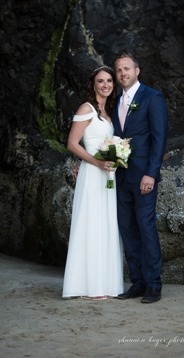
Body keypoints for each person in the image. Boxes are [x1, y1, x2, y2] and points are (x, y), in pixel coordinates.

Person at [62, 65, 124, 299]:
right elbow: (72, 144)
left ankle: (104, 284)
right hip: (92, 174)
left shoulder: (108, 113)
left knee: (105, 225)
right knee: (91, 224)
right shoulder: (86, 109)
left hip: (107, 174)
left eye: (109, 81)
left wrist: (115, 156)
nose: (106, 85)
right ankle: (87, 286)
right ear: (93, 84)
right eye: (101, 81)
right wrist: (95, 163)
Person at [111, 53, 169, 303]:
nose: (122, 73)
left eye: (127, 69)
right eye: (119, 70)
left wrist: (151, 174)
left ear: (137, 70)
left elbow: (159, 138)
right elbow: (111, 135)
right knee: (127, 229)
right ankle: (138, 282)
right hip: (120, 176)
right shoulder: (115, 101)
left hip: (143, 177)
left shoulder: (152, 97)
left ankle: (154, 284)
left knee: (146, 229)